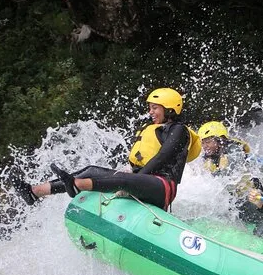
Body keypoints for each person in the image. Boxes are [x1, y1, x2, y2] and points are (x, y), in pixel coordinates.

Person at [13, 87, 200, 211]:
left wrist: (133, 179)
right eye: (150, 108)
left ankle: (77, 186)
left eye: (154, 108)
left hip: (163, 187)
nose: (150, 112)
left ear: (169, 109)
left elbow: (163, 157)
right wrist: (132, 174)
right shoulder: (153, 128)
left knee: (122, 179)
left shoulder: (179, 130)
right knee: (92, 170)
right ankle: (35, 191)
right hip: (140, 179)